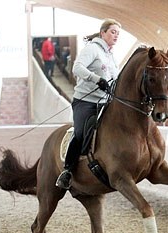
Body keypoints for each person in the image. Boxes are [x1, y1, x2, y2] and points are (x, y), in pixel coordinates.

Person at [56, 18, 121, 190]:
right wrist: (96, 79)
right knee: (80, 132)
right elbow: (76, 68)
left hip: (105, 102)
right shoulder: (92, 49)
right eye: (113, 32)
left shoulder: (111, 56)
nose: (116, 35)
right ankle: (67, 171)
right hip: (85, 102)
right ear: (103, 33)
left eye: (118, 33)